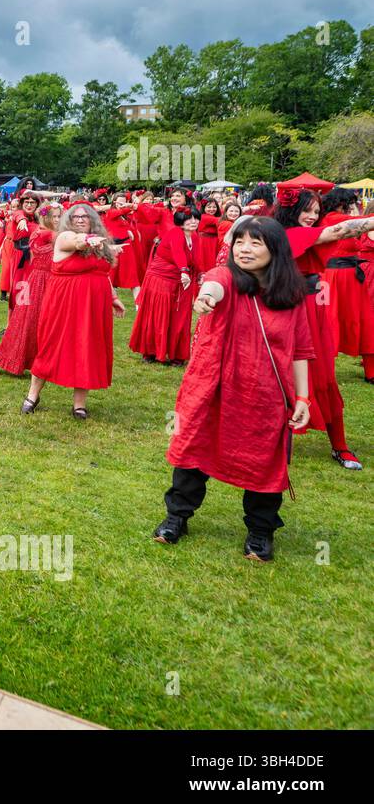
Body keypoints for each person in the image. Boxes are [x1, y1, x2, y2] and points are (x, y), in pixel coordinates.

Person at [154, 217, 312, 562]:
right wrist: (205, 299)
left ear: (276, 250)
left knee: (264, 463)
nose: (245, 249)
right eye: (240, 242)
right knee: (192, 449)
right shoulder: (224, 277)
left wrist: (303, 398)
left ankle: (260, 532)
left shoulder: (292, 295)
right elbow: (212, 286)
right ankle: (176, 517)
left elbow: (301, 350)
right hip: (213, 384)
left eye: (256, 243)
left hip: (266, 393)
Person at [274, 182, 374, 470]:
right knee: (280, 375)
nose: (312, 215)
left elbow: (339, 228)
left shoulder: (306, 233)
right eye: (307, 210)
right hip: (287, 308)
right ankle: (276, 443)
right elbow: (340, 231)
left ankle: (339, 445)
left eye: (316, 211)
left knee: (323, 374)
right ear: (292, 209)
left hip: (313, 307)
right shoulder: (286, 234)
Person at [22, 203, 124, 419]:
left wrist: (114, 298)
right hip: (64, 303)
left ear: (93, 220)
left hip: (93, 305)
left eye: (85, 217)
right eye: (75, 216)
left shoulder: (100, 242)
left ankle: (79, 404)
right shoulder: (64, 237)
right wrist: (87, 240)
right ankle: (32, 395)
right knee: (52, 345)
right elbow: (75, 242)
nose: (80, 219)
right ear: (69, 220)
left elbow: (102, 273)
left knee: (86, 347)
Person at [0, 201, 60, 377]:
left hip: (49, 282)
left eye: (60, 216)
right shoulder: (42, 232)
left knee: (39, 323)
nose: (59, 219)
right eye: (55, 216)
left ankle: (37, 361)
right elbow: (17, 215)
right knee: (24, 321)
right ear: (46, 217)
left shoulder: (50, 231)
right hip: (31, 280)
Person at [318, 188, 374, 383]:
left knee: (361, 319)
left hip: (346, 276)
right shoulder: (333, 218)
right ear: (342, 203)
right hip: (335, 276)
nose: (353, 207)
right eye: (350, 203)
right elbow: (360, 224)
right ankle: (367, 371)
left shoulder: (334, 218)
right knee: (330, 320)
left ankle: (370, 370)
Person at [129, 208, 199, 365]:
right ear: (181, 221)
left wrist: (200, 273)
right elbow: (178, 253)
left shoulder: (194, 237)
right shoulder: (175, 233)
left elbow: (195, 257)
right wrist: (184, 270)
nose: (194, 222)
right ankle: (151, 351)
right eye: (189, 219)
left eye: (196, 219)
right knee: (157, 314)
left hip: (183, 279)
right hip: (162, 277)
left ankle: (177, 354)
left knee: (181, 316)